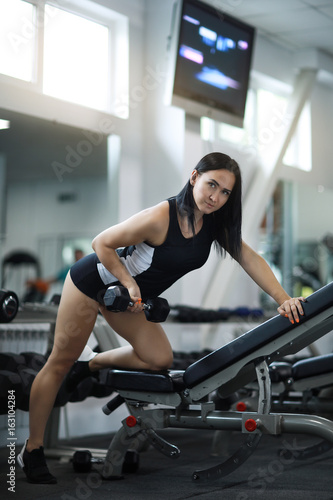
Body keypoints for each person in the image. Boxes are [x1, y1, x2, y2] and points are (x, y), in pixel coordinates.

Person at [17, 152, 304, 484]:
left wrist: (284, 299)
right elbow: (101, 243)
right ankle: (32, 450)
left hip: (129, 298)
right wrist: (127, 281)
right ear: (194, 177)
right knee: (59, 361)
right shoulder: (159, 217)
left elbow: (250, 258)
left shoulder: (214, 225)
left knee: (158, 359)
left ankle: (91, 364)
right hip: (92, 282)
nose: (216, 197)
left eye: (225, 192)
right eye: (212, 184)